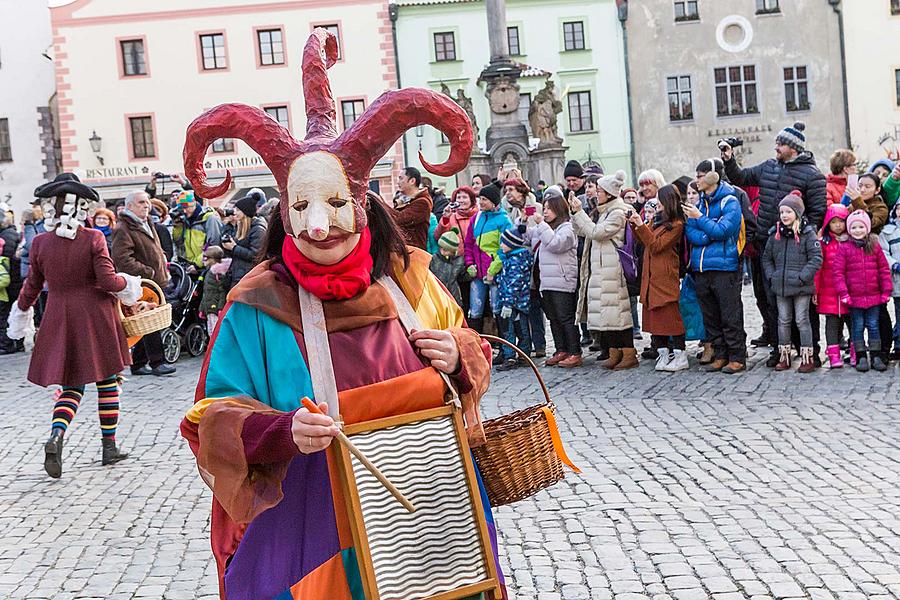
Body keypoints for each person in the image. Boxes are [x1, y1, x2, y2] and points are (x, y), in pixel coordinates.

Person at [178, 30, 503, 598]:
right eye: (300, 206)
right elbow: (211, 421)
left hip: (431, 525)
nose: (317, 227)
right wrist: (282, 431)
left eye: (332, 205)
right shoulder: (255, 308)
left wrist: (458, 354)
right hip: (309, 527)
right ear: (284, 210)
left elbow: (471, 350)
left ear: (360, 205)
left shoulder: (410, 282)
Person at [7, 173, 143, 478]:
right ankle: (109, 446)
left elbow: (31, 286)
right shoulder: (93, 238)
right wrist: (131, 285)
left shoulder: (40, 242)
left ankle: (56, 435)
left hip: (60, 316)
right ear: (79, 206)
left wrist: (21, 312)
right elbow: (108, 281)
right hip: (96, 317)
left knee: (71, 385)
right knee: (108, 380)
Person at [722, 121, 826, 366]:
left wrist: (793, 231)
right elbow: (741, 177)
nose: (776, 147)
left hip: (797, 248)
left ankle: (809, 349)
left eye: (780, 143)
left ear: (793, 147)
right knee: (770, 300)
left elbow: (817, 214)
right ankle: (780, 350)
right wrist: (729, 159)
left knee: (802, 304)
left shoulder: (812, 175)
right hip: (766, 245)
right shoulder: (769, 166)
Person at [684, 160, 747, 373]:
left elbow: (723, 231)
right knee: (710, 316)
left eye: (701, 175)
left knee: (730, 315)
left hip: (724, 267)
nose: (697, 180)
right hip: (700, 268)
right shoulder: (699, 203)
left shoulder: (729, 201)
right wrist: (707, 232)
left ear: (713, 176)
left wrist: (701, 220)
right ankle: (720, 355)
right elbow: (691, 233)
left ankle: (736, 356)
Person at [571, 170, 636, 369]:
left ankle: (628, 353)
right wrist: (575, 213)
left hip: (612, 269)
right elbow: (582, 230)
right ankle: (614, 351)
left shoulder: (618, 212)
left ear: (609, 193)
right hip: (601, 268)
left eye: (599, 190)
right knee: (608, 314)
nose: (596, 193)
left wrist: (580, 212)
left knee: (619, 314)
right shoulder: (605, 211)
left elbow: (597, 233)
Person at [111, 190, 176, 376]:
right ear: (129, 206)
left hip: (154, 281)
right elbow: (122, 259)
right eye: (141, 202)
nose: (146, 205)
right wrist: (149, 272)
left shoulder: (146, 222)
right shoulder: (123, 228)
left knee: (144, 323)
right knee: (149, 322)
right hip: (142, 283)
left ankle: (138, 363)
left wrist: (161, 262)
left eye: (147, 202)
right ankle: (158, 362)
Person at [628, 184, 688, 372]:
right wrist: (635, 224)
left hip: (665, 277)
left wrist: (641, 225)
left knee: (670, 318)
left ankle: (680, 354)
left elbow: (655, 246)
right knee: (655, 319)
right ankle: (663, 353)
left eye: (661, 200)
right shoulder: (657, 222)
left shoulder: (677, 225)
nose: (657, 203)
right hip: (651, 278)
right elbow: (643, 241)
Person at [763, 192, 823, 373]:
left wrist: (803, 277)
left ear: (797, 213)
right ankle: (784, 356)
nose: (784, 216)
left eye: (788, 212)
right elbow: (767, 258)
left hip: (801, 286)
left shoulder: (807, 233)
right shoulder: (775, 235)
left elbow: (816, 258)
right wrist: (772, 275)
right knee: (783, 320)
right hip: (781, 286)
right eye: (782, 212)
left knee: (802, 320)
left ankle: (807, 357)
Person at [526, 186, 580, 367]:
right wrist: (525, 221)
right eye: (545, 208)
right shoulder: (545, 228)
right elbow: (529, 237)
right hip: (546, 281)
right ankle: (561, 349)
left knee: (565, 317)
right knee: (553, 318)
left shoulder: (567, 228)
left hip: (563, 281)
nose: (546, 212)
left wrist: (541, 225)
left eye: (549, 208)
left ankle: (574, 351)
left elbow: (556, 244)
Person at [833, 210, 893, 372]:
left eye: (861, 227)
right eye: (854, 227)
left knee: (873, 325)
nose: (858, 230)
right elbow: (838, 273)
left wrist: (886, 291)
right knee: (857, 326)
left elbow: (883, 270)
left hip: (874, 296)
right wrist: (843, 293)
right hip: (854, 297)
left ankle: (875, 356)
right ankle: (860, 356)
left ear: (867, 228)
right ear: (849, 230)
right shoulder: (844, 248)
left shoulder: (874, 246)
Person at [464, 183, 512, 334]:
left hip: (495, 274)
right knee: (475, 311)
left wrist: (493, 270)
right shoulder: (476, 219)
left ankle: (505, 349)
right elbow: (469, 244)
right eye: (480, 199)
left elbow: (504, 249)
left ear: (494, 202)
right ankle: (477, 345)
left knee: (497, 309)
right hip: (477, 274)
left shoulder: (504, 221)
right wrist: (469, 264)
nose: (481, 202)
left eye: (484, 199)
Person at [815, 203, 851, 368]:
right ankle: (833, 352)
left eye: (841, 221)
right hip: (829, 290)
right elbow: (818, 269)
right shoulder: (824, 243)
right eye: (834, 221)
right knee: (832, 323)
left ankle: (855, 350)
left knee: (852, 321)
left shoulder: (852, 241)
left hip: (849, 290)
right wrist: (815, 290)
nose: (838, 225)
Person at [495, 225, 533, 371]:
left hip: (516, 304)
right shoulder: (510, 258)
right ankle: (517, 354)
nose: (501, 245)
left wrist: (508, 303)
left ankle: (515, 355)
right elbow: (506, 279)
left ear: (511, 244)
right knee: (510, 328)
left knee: (514, 329)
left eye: (503, 243)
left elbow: (514, 284)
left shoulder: (517, 260)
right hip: (510, 302)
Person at [435, 186, 478, 313]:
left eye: (465, 197)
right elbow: (438, 236)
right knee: (462, 297)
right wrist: (445, 219)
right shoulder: (451, 217)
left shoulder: (478, 215)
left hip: (475, 263)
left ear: (471, 200)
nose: (461, 200)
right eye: (458, 197)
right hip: (457, 263)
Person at [222, 193, 267, 284]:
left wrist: (234, 248)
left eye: (238, 210)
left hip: (249, 276)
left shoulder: (258, 229)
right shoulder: (240, 227)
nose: (234, 212)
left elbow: (256, 255)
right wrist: (227, 246)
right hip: (238, 274)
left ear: (245, 212)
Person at [172, 190, 222, 269]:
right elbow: (178, 243)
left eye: (186, 207)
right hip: (189, 265)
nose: (184, 211)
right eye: (181, 209)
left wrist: (197, 264)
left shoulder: (209, 218)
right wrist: (177, 227)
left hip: (207, 266)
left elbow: (213, 245)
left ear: (194, 204)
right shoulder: (184, 220)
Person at [390, 166, 433, 250]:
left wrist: (380, 203)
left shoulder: (423, 202)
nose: (398, 182)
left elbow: (398, 219)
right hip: (402, 251)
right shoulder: (402, 200)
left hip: (414, 254)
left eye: (401, 178)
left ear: (412, 181)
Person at [0, 205, 23, 354]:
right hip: (14, 281)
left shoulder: (6, 237)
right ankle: (16, 343)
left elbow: (6, 261)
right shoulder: (11, 233)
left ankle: (7, 344)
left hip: (9, 283)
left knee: (6, 315)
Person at [879, 202, 900, 359]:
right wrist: (894, 264)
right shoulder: (888, 232)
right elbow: (883, 252)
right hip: (897, 280)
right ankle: (898, 345)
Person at [429, 227, 466, 306]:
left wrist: (470, 273)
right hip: (437, 294)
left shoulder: (459, 261)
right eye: (441, 247)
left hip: (453, 296)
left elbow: (462, 276)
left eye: (446, 249)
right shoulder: (434, 259)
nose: (443, 250)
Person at [198, 245, 231, 337]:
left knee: (216, 332)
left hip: (215, 308)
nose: (203, 260)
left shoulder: (218, 273)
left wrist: (221, 308)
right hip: (209, 308)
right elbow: (206, 293)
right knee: (211, 331)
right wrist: (202, 308)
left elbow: (222, 292)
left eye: (205, 258)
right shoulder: (209, 272)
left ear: (213, 259)